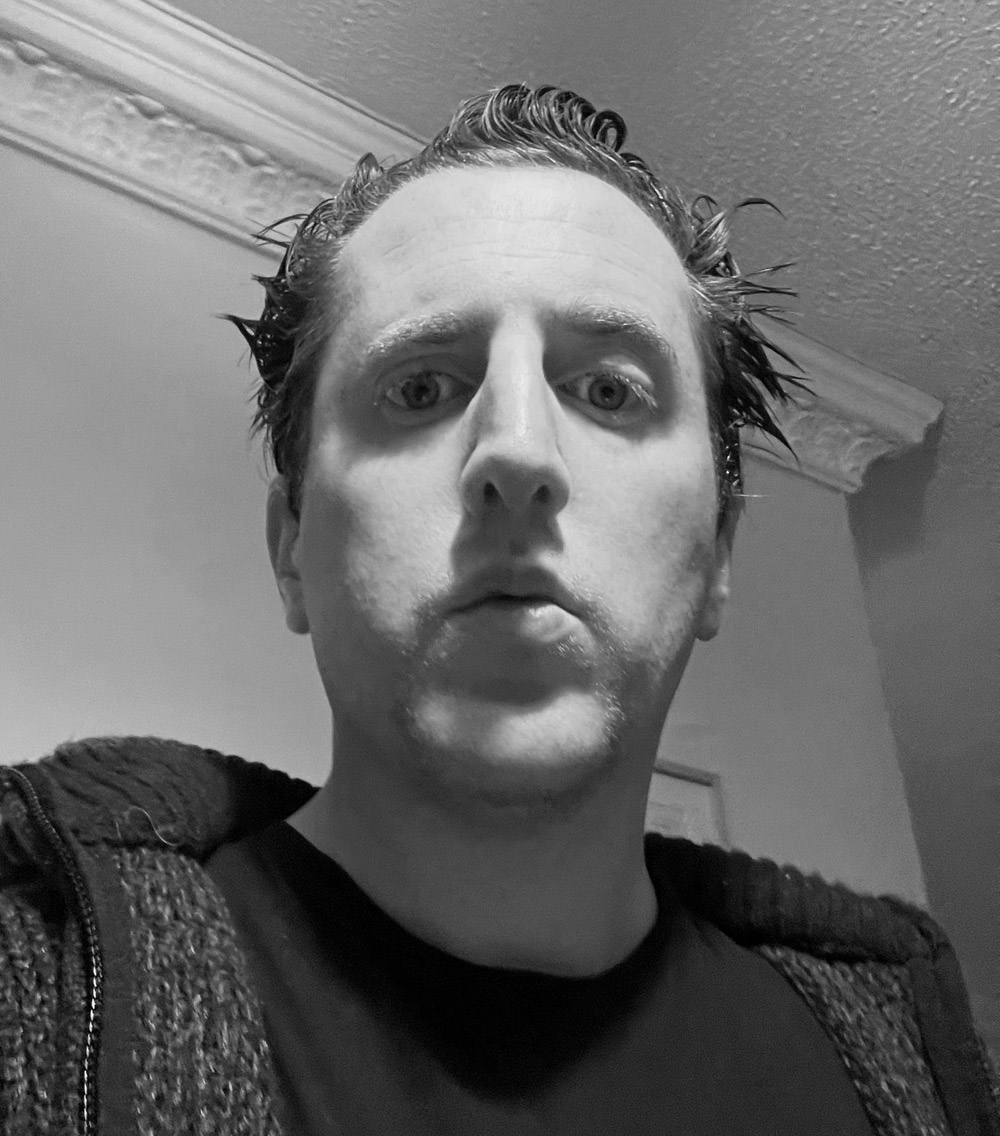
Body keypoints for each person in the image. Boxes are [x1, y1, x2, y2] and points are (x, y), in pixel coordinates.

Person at [1, 84, 996, 1136]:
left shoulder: (921, 1061)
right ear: (292, 546)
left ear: (716, 555)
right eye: (420, 388)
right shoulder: (37, 979)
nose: (516, 451)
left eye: (609, 390)